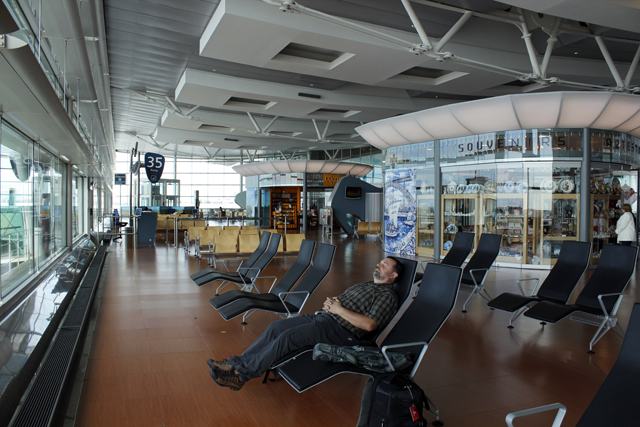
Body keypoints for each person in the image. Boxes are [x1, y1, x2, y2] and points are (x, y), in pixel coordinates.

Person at [207, 257, 404, 391]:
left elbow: (370, 325)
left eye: (385, 266)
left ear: (393, 276)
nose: (379, 265)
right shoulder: (368, 285)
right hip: (324, 319)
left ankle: (240, 375)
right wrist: (333, 303)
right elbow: (343, 303)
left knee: (287, 339)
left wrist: (339, 310)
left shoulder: (388, 296)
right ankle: (236, 362)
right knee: (275, 327)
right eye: (380, 263)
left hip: (339, 332)